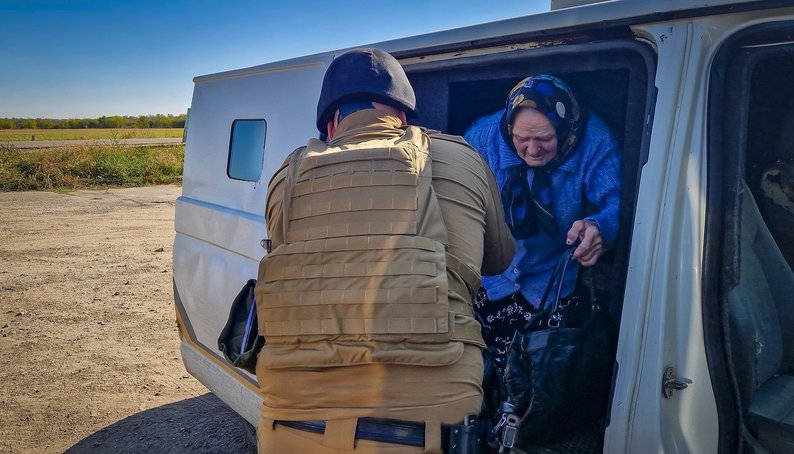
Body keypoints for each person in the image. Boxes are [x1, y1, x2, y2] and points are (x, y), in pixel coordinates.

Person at [254, 48, 515, 453]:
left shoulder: (287, 177)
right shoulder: (462, 157)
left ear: (332, 122)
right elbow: (500, 259)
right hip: (429, 428)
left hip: (294, 422)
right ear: (402, 116)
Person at [464, 75, 621, 359]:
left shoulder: (595, 140)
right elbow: (457, 201)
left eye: (545, 138)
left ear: (565, 128)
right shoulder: (481, 138)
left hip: (551, 284)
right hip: (488, 280)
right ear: (509, 127)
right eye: (521, 139)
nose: (532, 150)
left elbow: (620, 204)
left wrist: (599, 227)